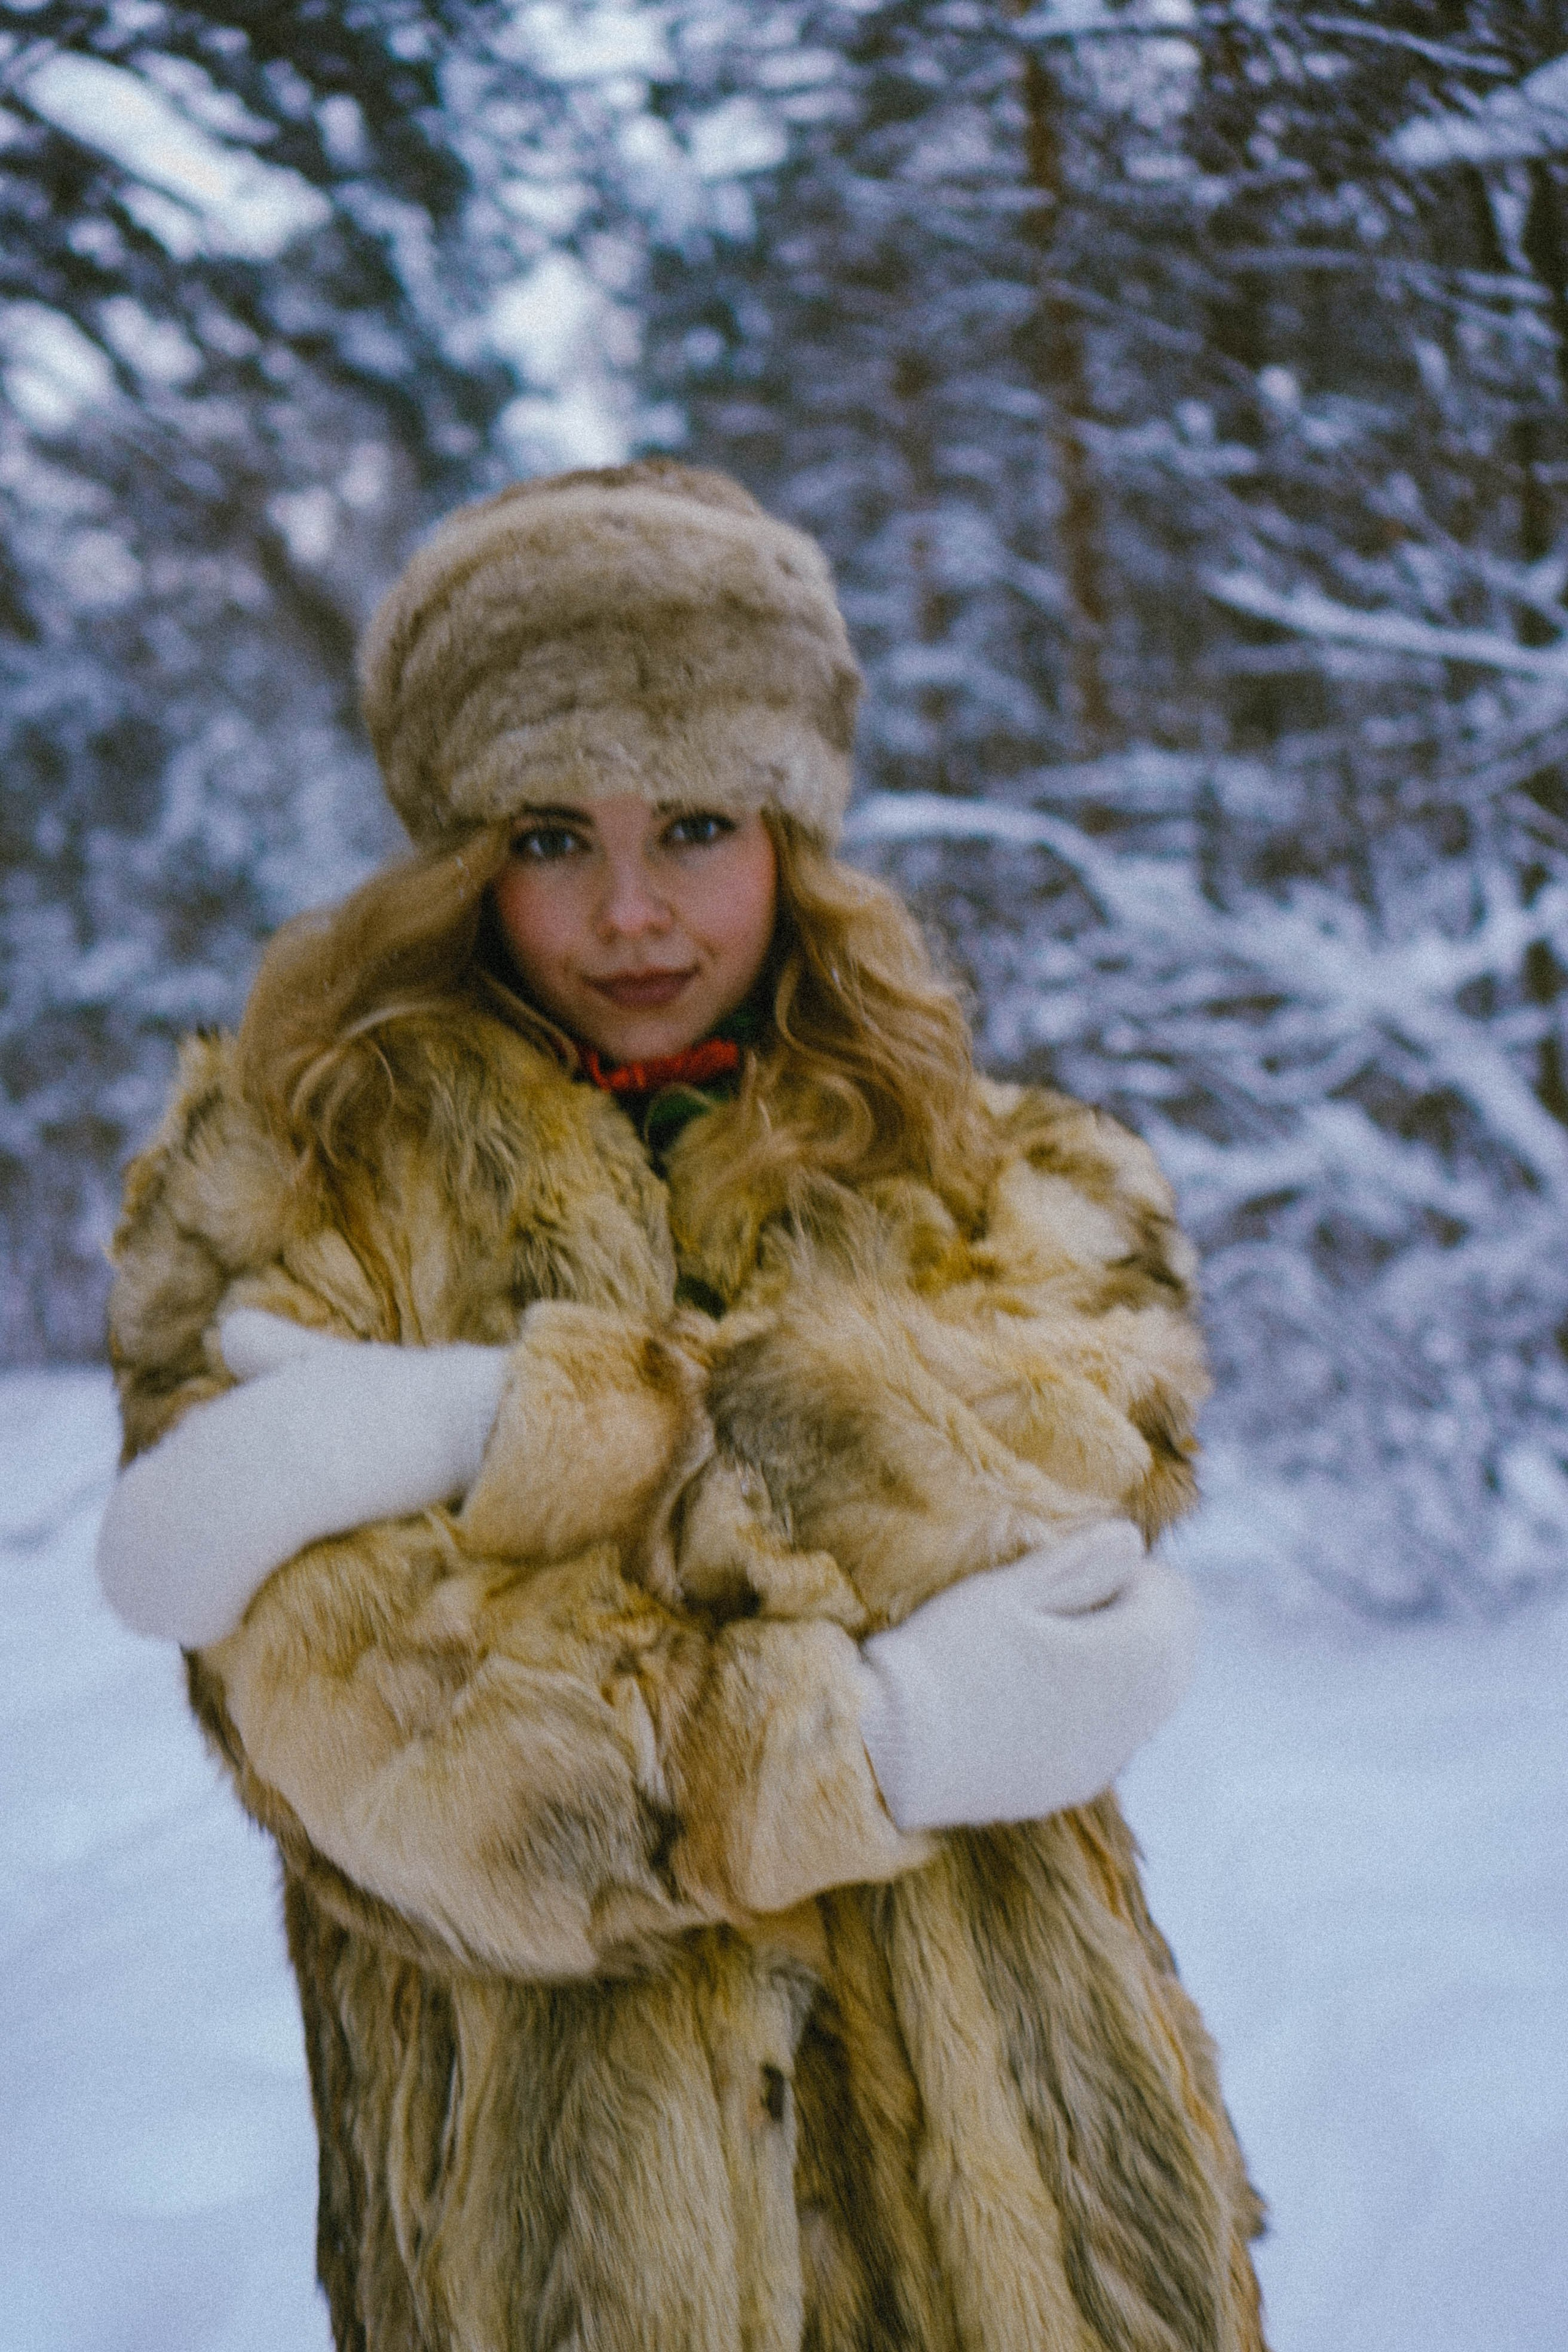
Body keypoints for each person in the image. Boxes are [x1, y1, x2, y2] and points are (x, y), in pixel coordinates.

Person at [97, 460, 1267, 2352]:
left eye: (699, 823)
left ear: (793, 832)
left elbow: (1064, 1457)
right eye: (552, 832)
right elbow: (418, 1758)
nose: (629, 911)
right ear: (458, 850)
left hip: (1039, 2229)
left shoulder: (1008, 1171)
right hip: (569, 2263)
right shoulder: (286, 1195)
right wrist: (893, 1730)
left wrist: (501, 1428)